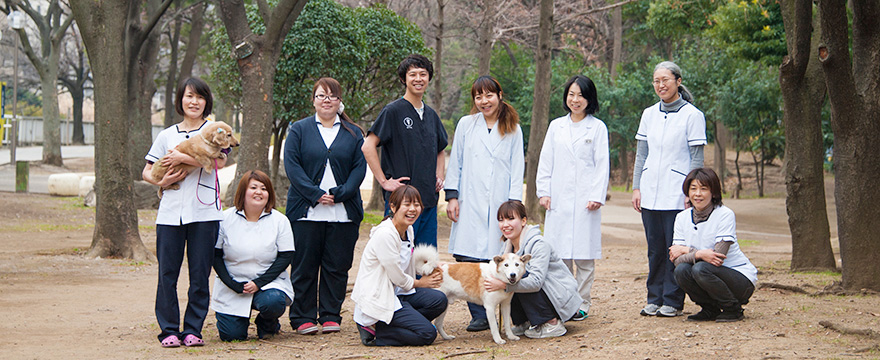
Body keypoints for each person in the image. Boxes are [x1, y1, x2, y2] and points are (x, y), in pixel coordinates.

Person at [142, 77, 228, 348]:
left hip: (204, 212)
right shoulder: (166, 134)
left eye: (200, 97)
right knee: (167, 273)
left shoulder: (214, 129)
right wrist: (161, 182)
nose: (194, 102)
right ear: (180, 100)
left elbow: (221, 160)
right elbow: (147, 171)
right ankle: (168, 330)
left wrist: (182, 158)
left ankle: (193, 330)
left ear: (206, 102)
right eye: (189, 96)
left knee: (200, 274)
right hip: (170, 214)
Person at [284, 77, 367, 335]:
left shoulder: (354, 132)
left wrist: (341, 193)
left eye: (332, 96)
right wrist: (315, 193)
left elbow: (359, 168)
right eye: (321, 95)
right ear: (313, 100)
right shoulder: (299, 130)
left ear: (339, 101)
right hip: (306, 211)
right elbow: (292, 166)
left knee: (337, 266)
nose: (327, 100)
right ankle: (302, 317)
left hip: (343, 212)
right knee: (304, 265)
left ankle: (331, 315)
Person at [444, 75, 524, 332]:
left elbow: (516, 168)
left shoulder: (513, 128)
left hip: (501, 203)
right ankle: (478, 313)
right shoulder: (466, 125)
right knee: (467, 254)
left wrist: (513, 207)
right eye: (478, 96)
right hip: (469, 199)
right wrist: (452, 197)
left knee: (495, 254)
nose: (483, 101)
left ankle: (499, 309)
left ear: (499, 95)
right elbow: (455, 161)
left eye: (488, 95)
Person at [631, 61, 707, 317]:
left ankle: (673, 301)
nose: (661, 85)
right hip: (650, 191)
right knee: (654, 250)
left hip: (677, 194)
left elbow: (697, 159)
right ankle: (654, 297)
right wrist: (636, 187)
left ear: (678, 81)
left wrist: (691, 192)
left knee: (674, 250)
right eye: (656, 81)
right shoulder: (648, 114)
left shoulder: (692, 115)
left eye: (666, 80)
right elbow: (641, 155)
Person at [536, 75, 609, 320]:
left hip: (587, 201)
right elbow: (546, 160)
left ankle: (582, 303)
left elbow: (602, 165)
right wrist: (544, 191)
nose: (575, 100)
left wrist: (597, 195)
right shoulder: (556, 126)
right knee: (560, 255)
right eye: (571, 94)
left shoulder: (597, 127)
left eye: (581, 95)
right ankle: (563, 301)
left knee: (584, 257)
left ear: (590, 99)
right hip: (558, 198)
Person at [362, 54, 448, 248]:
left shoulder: (431, 115)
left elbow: (440, 148)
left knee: (424, 262)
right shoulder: (393, 111)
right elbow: (367, 145)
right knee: (399, 257)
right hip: (401, 202)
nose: (418, 79)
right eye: (413, 74)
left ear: (429, 78)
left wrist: (439, 175)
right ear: (404, 79)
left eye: (423, 74)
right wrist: (384, 181)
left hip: (428, 200)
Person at [351, 185, 447, 346]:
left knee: (439, 300)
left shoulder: (408, 230)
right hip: (381, 296)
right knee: (427, 334)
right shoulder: (385, 234)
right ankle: (376, 330)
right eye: (407, 204)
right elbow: (396, 275)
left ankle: (394, 323)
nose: (413, 209)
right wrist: (419, 283)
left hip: (398, 293)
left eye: (416, 205)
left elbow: (407, 261)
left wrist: (433, 265)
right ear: (393, 207)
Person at [211, 170, 295, 341]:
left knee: (272, 302)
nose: (259, 192)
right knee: (232, 336)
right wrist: (232, 284)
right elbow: (215, 255)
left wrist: (258, 283)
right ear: (243, 191)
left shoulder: (280, 221)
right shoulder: (224, 218)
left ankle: (267, 323)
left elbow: (285, 256)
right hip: (233, 282)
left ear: (269, 194)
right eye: (253, 187)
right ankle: (234, 320)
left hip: (268, 282)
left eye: (264, 188)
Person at [669, 168, 757, 322]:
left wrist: (686, 251)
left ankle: (733, 308)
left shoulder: (725, 214)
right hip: (707, 273)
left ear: (714, 192)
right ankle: (710, 309)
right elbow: (676, 260)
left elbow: (718, 256)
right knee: (681, 270)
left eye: (704, 189)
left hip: (739, 280)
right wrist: (698, 254)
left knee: (700, 268)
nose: (698, 194)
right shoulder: (681, 218)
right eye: (693, 188)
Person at [484, 200, 582, 339]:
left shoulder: (539, 244)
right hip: (545, 293)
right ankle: (525, 322)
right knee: (509, 275)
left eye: (511, 219)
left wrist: (504, 285)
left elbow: (536, 282)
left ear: (523, 221)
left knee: (519, 275)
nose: (505, 224)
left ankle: (551, 323)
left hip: (560, 297)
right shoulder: (507, 247)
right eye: (501, 220)